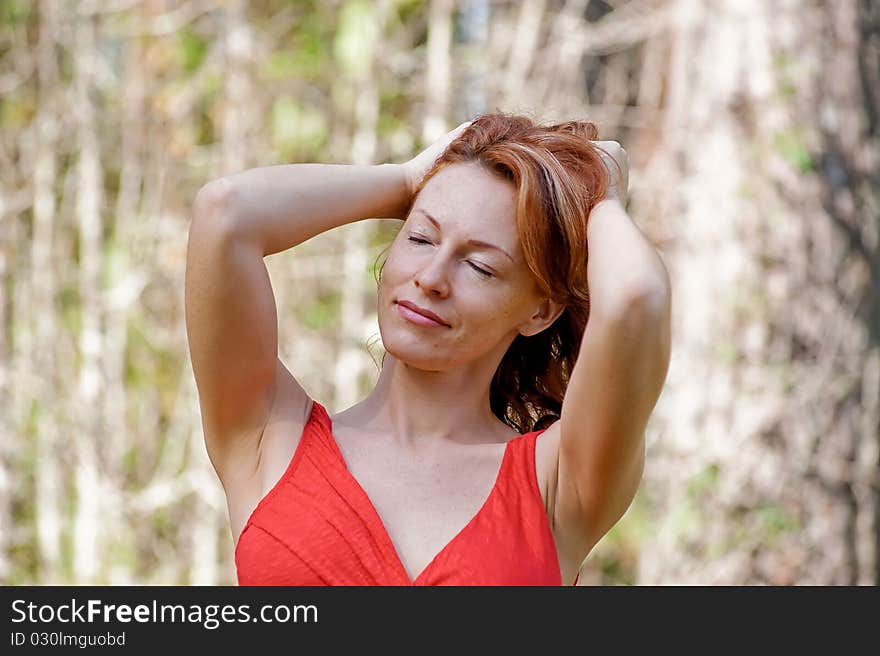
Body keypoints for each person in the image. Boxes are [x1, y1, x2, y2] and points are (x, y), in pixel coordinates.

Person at [184, 112, 672, 586]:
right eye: (420, 238)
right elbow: (226, 213)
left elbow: (635, 296)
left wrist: (600, 194)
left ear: (540, 312)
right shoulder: (269, 436)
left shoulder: (558, 483)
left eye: (479, 267)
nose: (432, 278)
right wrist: (406, 178)